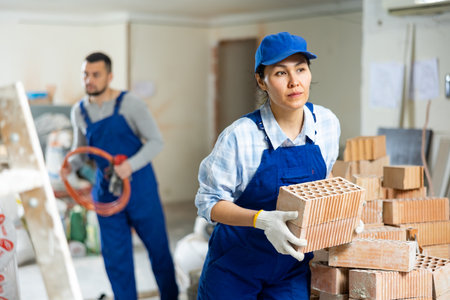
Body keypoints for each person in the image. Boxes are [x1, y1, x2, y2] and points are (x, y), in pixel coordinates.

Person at [195, 32, 343, 299]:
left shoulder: (327, 124)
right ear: (261, 81)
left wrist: (342, 214)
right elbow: (209, 203)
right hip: (235, 267)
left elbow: (325, 176)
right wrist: (260, 219)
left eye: (300, 69)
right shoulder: (240, 136)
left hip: (291, 268)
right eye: (280, 73)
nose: (294, 82)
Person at [65, 52, 178, 300]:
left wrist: (131, 165)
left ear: (110, 76)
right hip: (106, 192)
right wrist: (68, 165)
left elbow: (156, 142)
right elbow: (81, 151)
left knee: (158, 251)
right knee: (116, 259)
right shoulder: (79, 112)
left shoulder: (131, 104)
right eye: (85, 74)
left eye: (96, 74)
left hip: (141, 189)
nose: (89, 80)